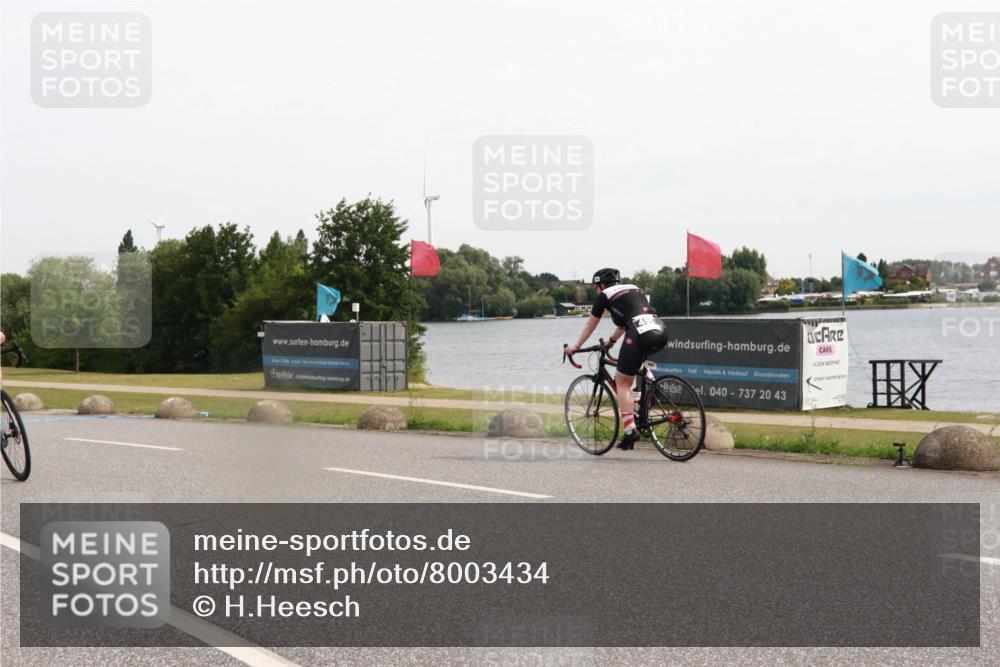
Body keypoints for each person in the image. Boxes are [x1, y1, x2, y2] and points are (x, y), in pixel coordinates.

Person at [565, 268, 668, 450]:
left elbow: (590, 325)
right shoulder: (633, 288)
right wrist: (611, 342)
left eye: (597, 287)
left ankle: (630, 431)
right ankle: (650, 386)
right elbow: (626, 322)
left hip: (639, 334)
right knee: (636, 363)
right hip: (659, 330)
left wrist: (576, 346)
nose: (597, 290)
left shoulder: (604, 295)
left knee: (622, 381)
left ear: (601, 285)